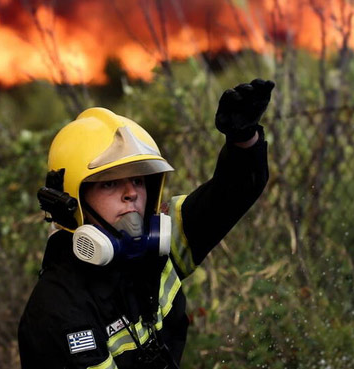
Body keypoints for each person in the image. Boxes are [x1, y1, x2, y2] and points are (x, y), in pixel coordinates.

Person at [18, 79, 274, 368]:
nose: (131, 193)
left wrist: (244, 140)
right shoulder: (58, 312)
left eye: (138, 180)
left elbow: (230, 196)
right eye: (110, 184)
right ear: (71, 201)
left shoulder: (156, 247)